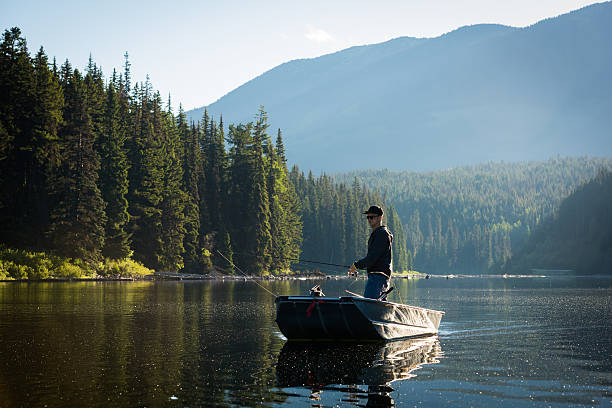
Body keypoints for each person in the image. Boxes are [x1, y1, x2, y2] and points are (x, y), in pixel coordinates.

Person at [348, 205, 393, 300]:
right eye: (368, 217)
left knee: (370, 305)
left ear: (380, 218)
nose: (369, 219)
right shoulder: (378, 233)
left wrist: (356, 265)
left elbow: (372, 258)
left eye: (372, 217)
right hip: (378, 278)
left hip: (378, 278)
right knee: (377, 307)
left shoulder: (382, 234)